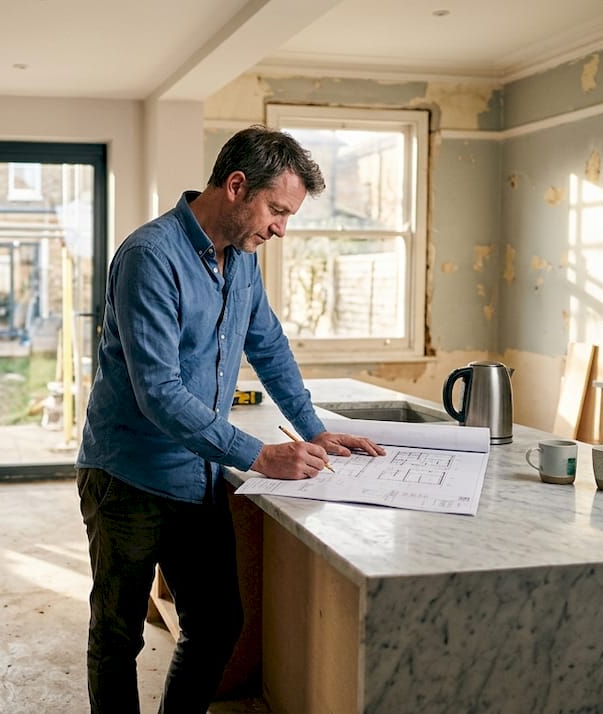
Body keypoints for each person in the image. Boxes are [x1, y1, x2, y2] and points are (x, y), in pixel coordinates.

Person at [75, 125, 387, 712]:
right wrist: (259, 455)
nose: (280, 228)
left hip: (196, 476)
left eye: (288, 215)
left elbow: (267, 345)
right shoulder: (150, 256)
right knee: (118, 636)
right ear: (237, 187)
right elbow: (159, 393)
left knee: (217, 626)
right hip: (126, 478)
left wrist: (312, 427)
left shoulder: (242, 261)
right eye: (276, 210)